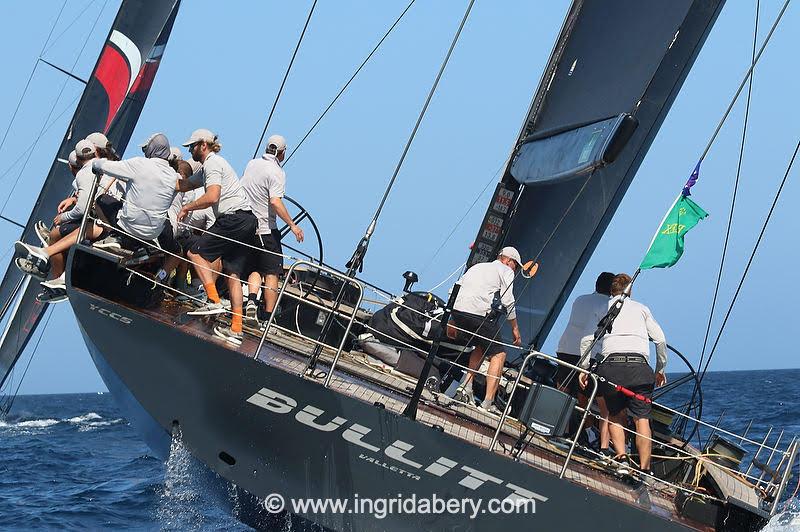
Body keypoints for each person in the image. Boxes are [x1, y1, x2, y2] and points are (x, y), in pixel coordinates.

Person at [579, 273, 667, 474]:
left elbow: (587, 341)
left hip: (612, 370)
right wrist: (660, 369)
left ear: (612, 290)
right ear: (630, 290)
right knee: (641, 418)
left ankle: (622, 462)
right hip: (640, 370)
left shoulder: (602, 308)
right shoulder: (642, 309)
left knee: (615, 415)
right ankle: (645, 469)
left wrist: (584, 369)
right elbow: (660, 340)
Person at [177, 128, 256, 347]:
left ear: (203, 145)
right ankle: (236, 329)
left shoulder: (212, 163)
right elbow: (185, 184)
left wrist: (186, 208)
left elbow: (212, 197)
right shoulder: (209, 167)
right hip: (248, 221)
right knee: (233, 273)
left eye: (191, 146)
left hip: (232, 219)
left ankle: (212, 300)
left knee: (194, 252)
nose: (189, 150)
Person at [14, 140, 109, 301]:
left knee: (56, 234)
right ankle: (50, 264)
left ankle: (53, 274)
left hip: (103, 224)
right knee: (62, 233)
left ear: (76, 163)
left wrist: (64, 217)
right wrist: (73, 199)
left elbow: (82, 208)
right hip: (104, 220)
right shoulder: (111, 164)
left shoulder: (86, 172)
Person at [90, 133, 182, 282]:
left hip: (129, 227)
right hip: (154, 232)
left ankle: (115, 236)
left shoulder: (139, 164)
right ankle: (158, 278)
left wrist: (95, 164)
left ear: (151, 150)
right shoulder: (173, 176)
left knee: (101, 200)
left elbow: (105, 166)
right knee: (174, 247)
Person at [449, 246, 523, 415]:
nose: (515, 270)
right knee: (499, 354)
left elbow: (456, 287)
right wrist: (515, 329)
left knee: (481, 346)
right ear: (508, 260)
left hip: (458, 311)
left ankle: (465, 387)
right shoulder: (506, 270)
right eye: (515, 266)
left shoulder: (478, 266)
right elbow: (508, 300)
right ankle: (488, 403)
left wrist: (452, 318)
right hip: (478, 314)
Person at [240, 134, 304, 324]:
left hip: (247, 227)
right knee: (272, 273)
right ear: (282, 153)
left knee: (254, 268)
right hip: (266, 230)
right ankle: (267, 318)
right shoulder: (277, 172)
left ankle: (251, 300)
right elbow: (275, 202)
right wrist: (293, 226)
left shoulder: (252, 164)